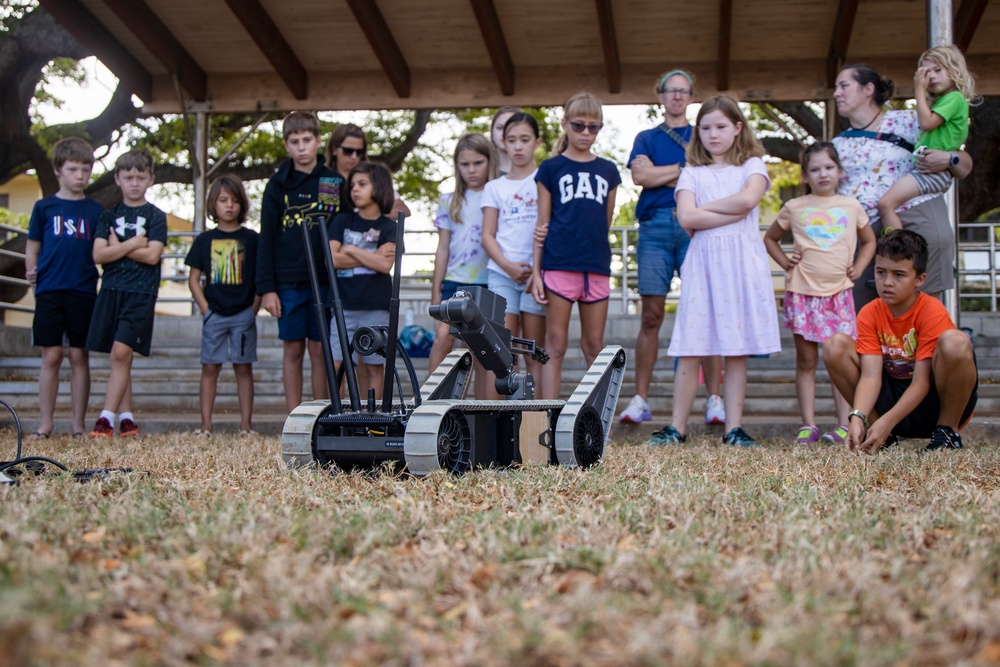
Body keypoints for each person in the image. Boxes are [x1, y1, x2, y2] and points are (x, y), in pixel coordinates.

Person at [652, 95, 780, 447]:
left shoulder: (752, 166)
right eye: (705, 128)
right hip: (704, 262)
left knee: (735, 348)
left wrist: (706, 210)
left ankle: (733, 428)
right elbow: (686, 217)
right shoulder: (691, 172)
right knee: (691, 344)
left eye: (721, 126)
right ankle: (677, 427)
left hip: (741, 263)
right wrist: (724, 211)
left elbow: (747, 201)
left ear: (738, 128)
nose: (713, 134)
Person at [618, 70, 725, 426]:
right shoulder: (645, 137)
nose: (677, 96)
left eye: (683, 91)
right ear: (660, 95)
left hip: (696, 220)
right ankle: (641, 399)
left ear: (691, 97)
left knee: (706, 312)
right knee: (651, 314)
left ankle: (714, 398)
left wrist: (660, 172)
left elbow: (710, 172)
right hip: (655, 227)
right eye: (670, 90)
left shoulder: (704, 133)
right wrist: (683, 167)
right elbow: (640, 178)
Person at [832, 63, 972, 308]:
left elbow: (964, 165)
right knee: (863, 322)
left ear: (868, 89)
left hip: (915, 216)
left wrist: (951, 158)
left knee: (921, 317)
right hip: (863, 235)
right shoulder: (835, 145)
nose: (836, 93)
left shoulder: (909, 121)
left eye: (844, 86)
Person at [823, 230, 977, 453]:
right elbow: (870, 376)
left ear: (920, 279)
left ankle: (947, 433)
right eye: (881, 272)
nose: (887, 282)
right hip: (892, 396)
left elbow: (922, 382)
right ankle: (880, 436)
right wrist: (858, 416)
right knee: (834, 345)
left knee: (956, 341)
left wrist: (888, 420)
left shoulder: (931, 310)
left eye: (899, 275)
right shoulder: (870, 313)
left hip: (933, 400)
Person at [764, 142, 877, 445]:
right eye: (815, 169)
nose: (822, 174)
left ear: (840, 171)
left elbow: (869, 241)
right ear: (804, 176)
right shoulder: (794, 207)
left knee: (839, 360)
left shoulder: (851, 205)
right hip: (802, 293)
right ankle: (808, 424)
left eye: (829, 167)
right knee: (806, 362)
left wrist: (859, 266)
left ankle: (843, 424)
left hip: (839, 294)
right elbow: (771, 238)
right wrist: (786, 262)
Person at [531, 92, 621, 400]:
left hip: (595, 266)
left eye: (593, 127)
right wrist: (536, 272)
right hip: (558, 265)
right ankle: (545, 417)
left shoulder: (609, 171)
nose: (585, 133)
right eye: (579, 125)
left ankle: (595, 421)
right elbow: (541, 225)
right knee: (555, 345)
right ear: (565, 124)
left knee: (594, 346)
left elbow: (604, 222)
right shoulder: (550, 168)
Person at [257, 111, 343, 412]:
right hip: (288, 281)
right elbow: (265, 237)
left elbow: (338, 225)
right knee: (292, 348)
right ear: (286, 145)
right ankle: (293, 415)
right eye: (295, 142)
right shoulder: (277, 185)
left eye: (307, 140)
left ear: (319, 141)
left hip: (324, 280)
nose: (302, 147)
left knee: (320, 349)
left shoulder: (331, 181)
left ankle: (321, 413)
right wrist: (267, 288)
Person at [24, 137, 103, 439]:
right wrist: (32, 273)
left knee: (79, 356)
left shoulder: (96, 211)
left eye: (85, 169)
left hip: (83, 291)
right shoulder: (44, 208)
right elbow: (33, 248)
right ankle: (46, 424)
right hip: (49, 290)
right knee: (52, 355)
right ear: (58, 169)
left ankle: (78, 425)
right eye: (73, 169)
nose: (79, 176)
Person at [86, 149, 167, 437]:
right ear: (118, 178)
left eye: (140, 176)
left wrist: (116, 247)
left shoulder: (156, 216)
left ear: (151, 179)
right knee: (121, 356)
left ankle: (105, 418)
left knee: (121, 352)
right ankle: (127, 418)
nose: (135, 182)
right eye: (129, 176)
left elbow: (153, 256)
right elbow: (98, 254)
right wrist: (135, 243)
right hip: (110, 290)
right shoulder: (108, 214)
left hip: (141, 293)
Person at [185, 175, 260, 436]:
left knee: (243, 367)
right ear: (213, 204)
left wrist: (253, 308)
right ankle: (206, 425)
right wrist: (206, 310)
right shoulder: (204, 240)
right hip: (214, 314)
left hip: (243, 314)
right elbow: (193, 279)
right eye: (223, 200)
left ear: (242, 205)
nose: (229, 206)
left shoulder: (252, 239)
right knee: (210, 367)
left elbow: (260, 277)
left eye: (235, 200)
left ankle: (246, 426)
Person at [878, 46, 978, 233]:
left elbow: (927, 122)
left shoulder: (954, 98)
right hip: (929, 171)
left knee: (886, 204)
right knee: (890, 204)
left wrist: (919, 90)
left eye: (937, 70)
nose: (931, 77)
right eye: (925, 73)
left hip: (932, 173)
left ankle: (897, 246)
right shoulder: (943, 101)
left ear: (954, 69)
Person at [428, 133, 498, 399]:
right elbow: (443, 247)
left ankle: (480, 411)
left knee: (481, 351)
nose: (471, 170)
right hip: (455, 281)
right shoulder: (449, 200)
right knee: (443, 338)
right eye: (464, 164)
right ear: (456, 165)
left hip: (488, 281)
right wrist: (436, 289)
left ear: (489, 161)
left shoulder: (495, 195)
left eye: (477, 163)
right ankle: (433, 402)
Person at [481, 112, 546, 388]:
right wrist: (508, 266)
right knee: (500, 353)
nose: (518, 146)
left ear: (537, 142)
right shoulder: (494, 187)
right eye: (512, 140)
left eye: (525, 139)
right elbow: (487, 235)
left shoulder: (546, 180)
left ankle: (538, 422)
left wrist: (537, 270)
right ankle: (496, 421)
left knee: (534, 352)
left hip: (536, 278)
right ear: (503, 144)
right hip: (501, 275)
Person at [327, 162, 399, 398]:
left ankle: (374, 418)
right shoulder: (341, 222)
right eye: (352, 185)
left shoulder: (389, 227)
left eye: (362, 184)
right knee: (339, 364)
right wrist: (371, 256)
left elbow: (385, 264)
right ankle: (338, 418)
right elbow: (332, 260)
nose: (354, 190)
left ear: (378, 187)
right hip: (343, 305)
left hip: (376, 305)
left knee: (374, 365)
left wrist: (351, 250)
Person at [325, 122, 411, 219]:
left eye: (359, 152)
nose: (354, 156)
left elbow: (402, 210)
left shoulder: (373, 177)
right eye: (348, 151)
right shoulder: (324, 179)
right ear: (334, 149)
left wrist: (370, 218)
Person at [490, 106, 520, 175]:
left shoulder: (538, 175)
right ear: (492, 132)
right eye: (500, 128)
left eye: (511, 127)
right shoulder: (481, 172)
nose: (504, 133)